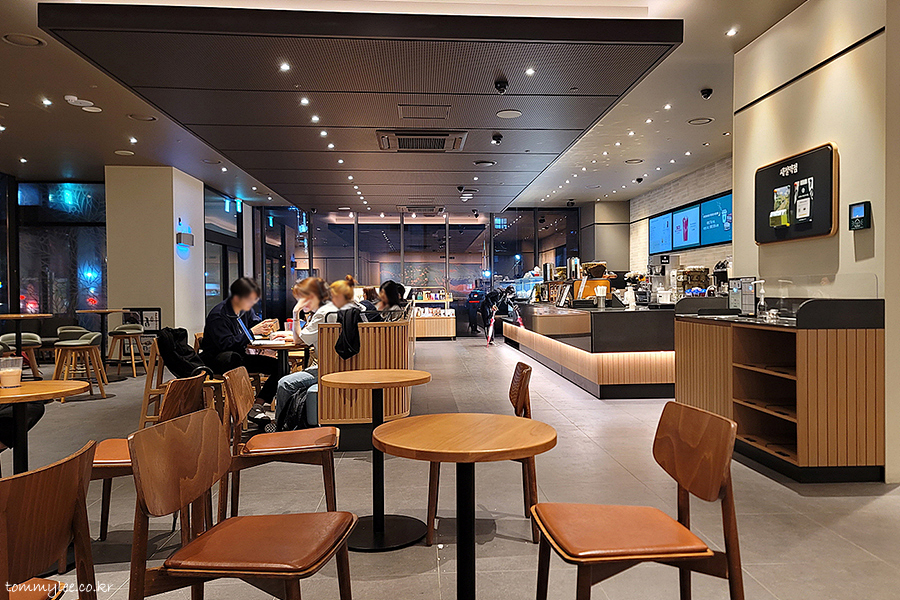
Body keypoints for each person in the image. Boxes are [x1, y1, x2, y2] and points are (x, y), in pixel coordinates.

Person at [201, 277, 281, 406]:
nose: (253, 303)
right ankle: (242, 405)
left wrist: (265, 327)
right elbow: (226, 344)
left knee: (281, 366)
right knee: (233, 358)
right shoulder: (219, 315)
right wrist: (252, 332)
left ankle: (259, 402)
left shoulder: (244, 310)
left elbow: (254, 323)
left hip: (239, 356)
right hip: (217, 360)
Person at [273, 277, 337, 429]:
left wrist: (296, 312)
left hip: (329, 368)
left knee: (285, 384)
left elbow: (299, 340)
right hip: (338, 364)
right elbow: (305, 338)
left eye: (300, 298)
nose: (299, 302)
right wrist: (290, 335)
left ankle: (280, 428)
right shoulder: (332, 309)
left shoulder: (323, 314)